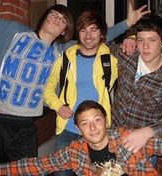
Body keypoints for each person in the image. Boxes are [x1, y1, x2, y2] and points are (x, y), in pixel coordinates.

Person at [0, 0, 148, 165]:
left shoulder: (61, 51)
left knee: (25, 171)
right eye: (54, 14)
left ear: (64, 31)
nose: (57, 18)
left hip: (26, 124)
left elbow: (94, 38)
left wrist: (128, 25)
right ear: (44, 18)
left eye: (63, 19)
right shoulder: (12, 32)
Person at [0, 100, 162, 176]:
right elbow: (36, 164)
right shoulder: (75, 151)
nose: (92, 128)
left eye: (97, 120)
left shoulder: (128, 140)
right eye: (85, 123)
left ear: (106, 120)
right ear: (78, 129)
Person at [43, 9, 118, 176]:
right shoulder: (64, 60)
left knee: (103, 173)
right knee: (62, 174)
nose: (88, 35)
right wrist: (58, 106)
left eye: (93, 29)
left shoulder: (110, 62)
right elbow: (47, 90)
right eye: (83, 30)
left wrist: (133, 37)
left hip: (98, 132)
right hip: (68, 129)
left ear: (102, 34)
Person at [109, 14, 162, 161]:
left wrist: (147, 132)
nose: (145, 47)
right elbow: (98, 41)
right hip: (114, 139)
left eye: (152, 40)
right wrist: (128, 34)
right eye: (141, 40)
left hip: (143, 147)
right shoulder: (127, 54)